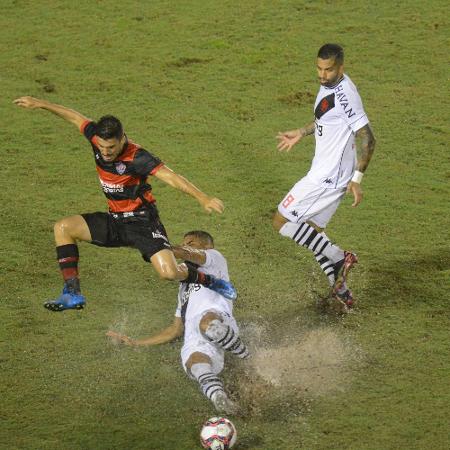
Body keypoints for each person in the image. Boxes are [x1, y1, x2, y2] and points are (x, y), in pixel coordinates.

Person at [13, 97, 237, 311]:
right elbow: (73, 116)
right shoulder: (96, 138)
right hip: (115, 221)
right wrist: (40, 104)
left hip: (143, 223)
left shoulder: (137, 157)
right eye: (101, 147)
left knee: (168, 272)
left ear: (122, 139)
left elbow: (170, 177)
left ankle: (208, 280)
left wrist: (202, 197)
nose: (105, 152)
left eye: (111, 147)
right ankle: (72, 292)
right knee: (63, 228)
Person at [274, 43, 376, 308]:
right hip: (329, 173)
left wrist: (357, 179)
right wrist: (301, 132)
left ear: (341, 67)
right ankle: (338, 285)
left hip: (326, 177)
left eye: (328, 70)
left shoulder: (346, 95)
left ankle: (341, 256)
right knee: (312, 231)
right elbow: (326, 116)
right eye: (319, 68)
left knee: (282, 221)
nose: (322, 74)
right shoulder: (330, 86)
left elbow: (367, 136)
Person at [107, 230, 249, 414]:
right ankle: (219, 397)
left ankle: (248, 358)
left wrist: (153, 247)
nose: (185, 245)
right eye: (183, 242)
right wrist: (135, 342)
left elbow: (187, 254)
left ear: (207, 246)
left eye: (190, 242)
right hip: (193, 335)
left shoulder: (214, 259)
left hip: (216, 317)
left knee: (206, 323)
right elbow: (175, 330)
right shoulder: (183, 291)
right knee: (195, 361)